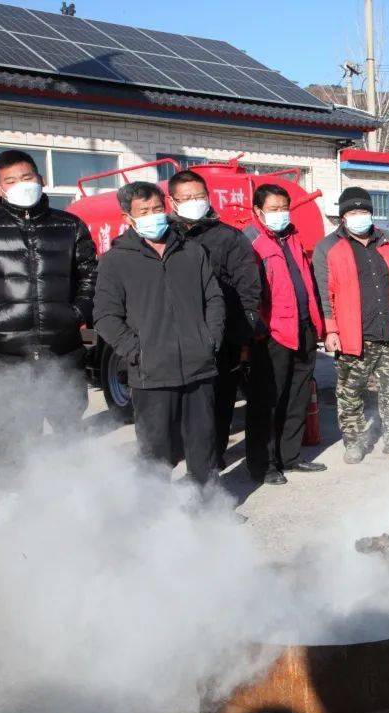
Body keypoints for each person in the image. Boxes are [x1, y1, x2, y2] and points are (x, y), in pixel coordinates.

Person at [93, 181, 225, 485]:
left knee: (202, 444)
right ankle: (157, 516)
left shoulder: (191, 251)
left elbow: (214, 298)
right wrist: (137, 352)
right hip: (151, 374)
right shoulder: (116, 260)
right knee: (156, 450)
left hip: (198, 367)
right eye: (144, 211)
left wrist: (210, 340)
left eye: (156, 208)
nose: (153, 215)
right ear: (128, 217)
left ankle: (206, 508)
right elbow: (105, 315)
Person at [0, 149, 97, 451]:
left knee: (69, 435)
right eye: (11, 180)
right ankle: (10, 495)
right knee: (8, 436)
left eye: (27, 177)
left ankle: (68, 496)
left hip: (62, 349)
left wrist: (76, 312)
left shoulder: (70, 225)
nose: (21, 184)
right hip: (6, 353)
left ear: (40, 179)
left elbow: (89, 275)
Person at [313, 187, 389, 465]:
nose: (359, 216)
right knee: (350, 394)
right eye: (353, 212)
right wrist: (331, 330)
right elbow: (324, 294)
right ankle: (354, 443)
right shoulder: (327, 248)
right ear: (342, 217)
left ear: (372, 214)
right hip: (353, 337)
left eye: (363, 211)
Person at [168, 170, 262, 468]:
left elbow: (249, 289)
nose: (194, 202)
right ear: (172, 201)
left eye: (199, 196)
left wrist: (242, 337)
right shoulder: (164, 238)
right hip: (174, 341)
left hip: (222, 339)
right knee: (178, 407)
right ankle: (180, 457)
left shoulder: (229, 238)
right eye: (187, 198)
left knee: (219, 403)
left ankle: (214, 457)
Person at [243, 184, 326, 486]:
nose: (280, 214)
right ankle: (262, 465)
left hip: (303, 328)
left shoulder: (292, 236)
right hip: (273, 333)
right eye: (274, 208)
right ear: (258, 211)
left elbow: (305, 281)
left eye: (284, 208)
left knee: (296, 397)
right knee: (267, 401)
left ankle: (289, 458)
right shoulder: (250, 241)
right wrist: (258, 329)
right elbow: (248, 291)